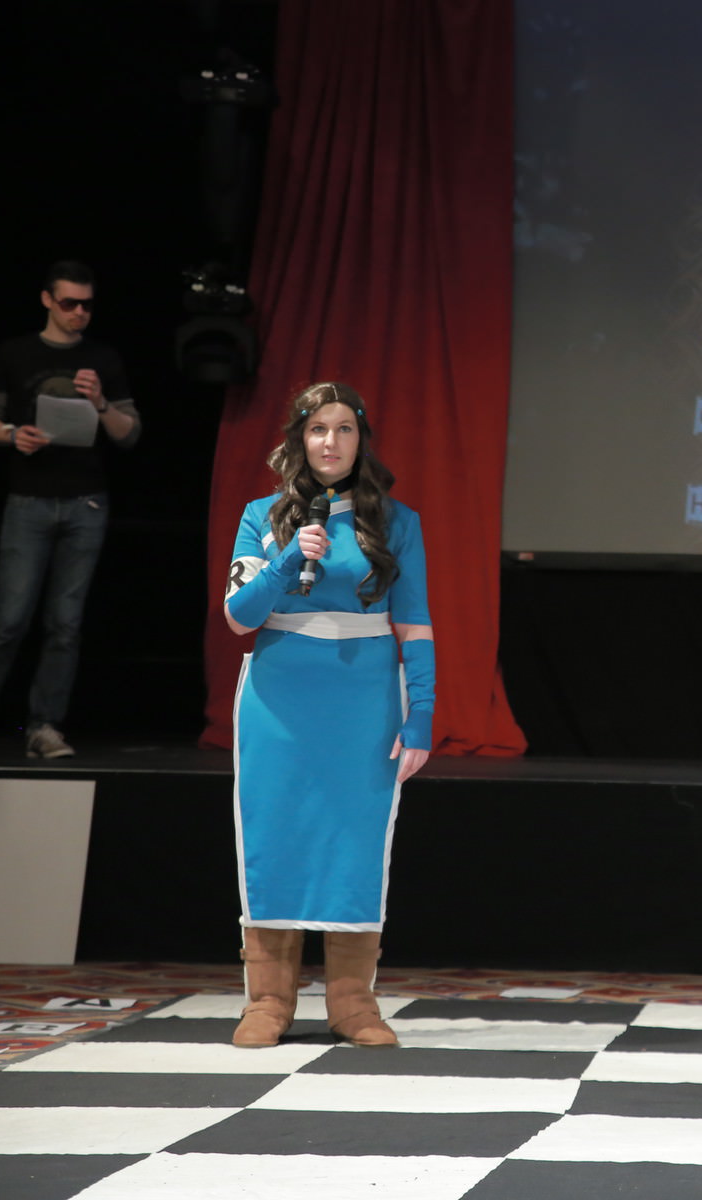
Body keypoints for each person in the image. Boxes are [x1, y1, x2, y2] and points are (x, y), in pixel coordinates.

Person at [221, 382, 435, 1049]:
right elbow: (239, 617)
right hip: (278, 699)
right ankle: (268, 1001)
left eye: (345, 428)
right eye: (318, 428)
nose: (331, 441)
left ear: (360, 439)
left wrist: (423, 713)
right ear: (300, 439)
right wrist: (290, 557)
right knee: (274, 836)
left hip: (364, 701)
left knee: (355, 842)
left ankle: (352, 1004)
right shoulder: (261, 516)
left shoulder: (397, 521)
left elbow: (415, 624)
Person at [0, 260, 143, 758]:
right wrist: (12, 435)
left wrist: (101, 403)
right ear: (47, 300)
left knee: (65, 624)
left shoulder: (102, 358)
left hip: (86, 501)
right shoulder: (15, 353)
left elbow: (130, 433)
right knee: (9, 619)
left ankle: (44, 727)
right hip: (28, 500)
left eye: (87, 304)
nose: (79, 312)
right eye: (69, 303)